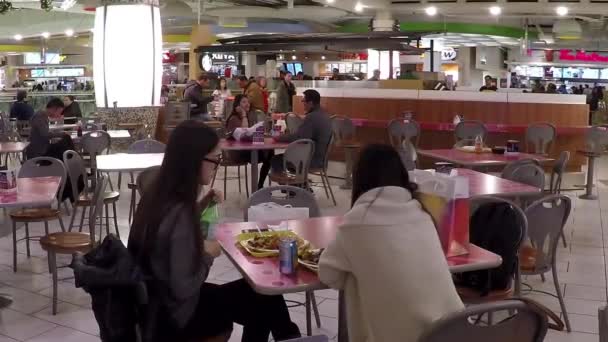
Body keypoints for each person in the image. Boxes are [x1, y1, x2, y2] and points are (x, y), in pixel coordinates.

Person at [128, 120, 300, 342]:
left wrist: (200, 205)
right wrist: (208, 254)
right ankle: (291, 337)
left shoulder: (157, 194)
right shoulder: (179, 211)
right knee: (264, 299)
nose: (216, 166)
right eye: (215, 160)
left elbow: (171, 229)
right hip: (176, 317)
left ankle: (290, 336)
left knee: (264, 296)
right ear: (194, 160)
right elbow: (184, 287)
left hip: (154, 305)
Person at [318, 144, 464, 342]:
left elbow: (328, 274)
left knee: (353, 276)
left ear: (360, 179)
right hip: (456, 330)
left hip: (412, 337)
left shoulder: (358, 222)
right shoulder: (421, 212)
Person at [265, 90, 331, 186]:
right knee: (289, 158)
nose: (302, 103)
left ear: (310, 103)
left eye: (303, 101)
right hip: (321, 158)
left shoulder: (312, 117)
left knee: (276, 160)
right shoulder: (324, 114)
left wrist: (278, 137)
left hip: (312, 160)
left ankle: (291, 190)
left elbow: (299, 138)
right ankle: (300, 187)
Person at [225, 95, 274, 189]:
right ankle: (259, 187)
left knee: (270, 152)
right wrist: (243, 114)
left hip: (247, 150)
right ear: (237, 106)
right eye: (244, 102)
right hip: (236, 153)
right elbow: (244, 132)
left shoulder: (248, 116)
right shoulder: (234, 118)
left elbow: (250, 134)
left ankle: (260, 185)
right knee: (268, 154)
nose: (247, 104)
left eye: (248, 102)